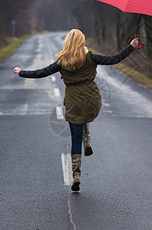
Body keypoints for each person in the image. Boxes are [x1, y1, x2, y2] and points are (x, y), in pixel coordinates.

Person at [13, 29, 139, 192]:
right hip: (92, 99)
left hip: (74, 101)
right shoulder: (90, 57)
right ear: (81, 41)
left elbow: (41, 72)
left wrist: (21, 72)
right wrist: (131, 46)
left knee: (75, 137)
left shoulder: (62, 61)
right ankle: (88, 141)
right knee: (85, 114)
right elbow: (113, 59)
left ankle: (76, 174)